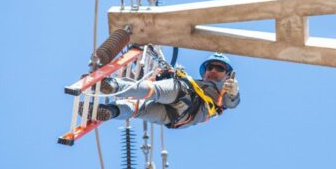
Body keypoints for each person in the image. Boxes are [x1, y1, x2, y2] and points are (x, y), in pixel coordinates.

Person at [80, 53, 240, 129]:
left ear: (226, 74)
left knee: (152, 91)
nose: (212, 70)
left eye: (219, 68)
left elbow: (232, 102)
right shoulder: (197, 82)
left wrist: (233, 92)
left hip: (187, 98)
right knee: (138, 109)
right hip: (178, 118)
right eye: (209, 67)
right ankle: (110, 111)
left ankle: (111, 85)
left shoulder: (224, 89)